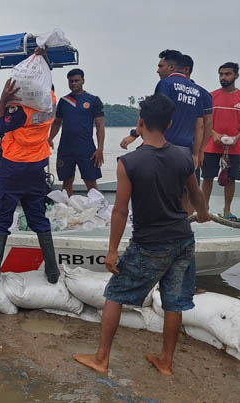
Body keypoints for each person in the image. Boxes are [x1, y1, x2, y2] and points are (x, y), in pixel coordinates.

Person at [73, 94, 210, 376]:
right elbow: (196, 196)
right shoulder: (185, 157)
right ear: (169, 124)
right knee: (174, 302)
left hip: (150, 243)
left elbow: (120, 211)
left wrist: (112, 250)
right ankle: (166, 362)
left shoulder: (129, 162)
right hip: (183, 240)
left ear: (140, 122)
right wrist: (204, 213)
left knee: (114, 294)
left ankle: (101, 358)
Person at [0, 50, 60, 284]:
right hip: (36, 168)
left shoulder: (20, 112)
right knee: (38, 217)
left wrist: (3, 100)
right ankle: (52, 270)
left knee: (3, 217)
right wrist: (41, 59)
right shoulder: (51, 104)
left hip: (13, 167)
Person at [120, 50, 204, 171]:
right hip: (187, 150)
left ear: (171, 67)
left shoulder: (166, 84)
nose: (157, 70)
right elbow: (200, 125)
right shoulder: (196, 91)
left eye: (160, 66)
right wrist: (196, 154)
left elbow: (156, 113)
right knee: (184, 188)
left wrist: (134, 135)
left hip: (164, 148)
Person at [201, 62, 240, 221]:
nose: (223, 77)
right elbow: (204, 121)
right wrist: (214, 134)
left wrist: (237, 136)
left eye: (227, 74)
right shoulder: (210, 96)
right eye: (221, 74)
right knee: (207, 177)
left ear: (236, 75)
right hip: (210, 146)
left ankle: (227, 210)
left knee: (231, 178)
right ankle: (204, 209)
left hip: (234, 148)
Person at [48, 68, 105, 195]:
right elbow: (57, 122)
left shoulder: (93, 100)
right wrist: (50, 138)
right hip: (66, 148)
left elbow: (100, 125)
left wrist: (100, 149)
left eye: (76, 81)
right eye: (71, 81)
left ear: (83, 81)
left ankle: (97, 209)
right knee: (67, 181)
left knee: (91, 181)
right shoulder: (64, 101)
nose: (73, 84)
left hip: (86, 147)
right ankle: (67, 210)